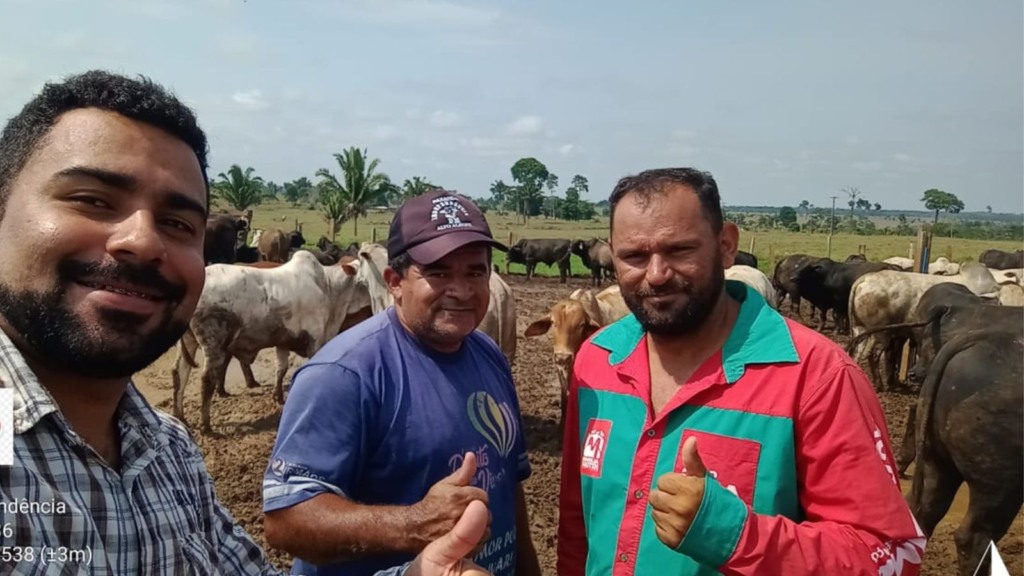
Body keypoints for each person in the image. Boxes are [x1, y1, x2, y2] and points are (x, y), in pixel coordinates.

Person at [0, 69, 492, 576]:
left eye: (178, 224)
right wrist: (411, 526)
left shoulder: (168, 452)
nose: (142, 241)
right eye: (92, 200)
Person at [556, 168, 927, 576]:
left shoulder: (816, 377)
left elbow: (891, 555)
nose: (657, 274)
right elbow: (579, 525)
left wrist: (735, 535)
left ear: (726, 245)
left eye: (680, 250)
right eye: (635, 256)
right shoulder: (596, 360)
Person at [262, 189, 541, 576]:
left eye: (475, 272)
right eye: (439, 272)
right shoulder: (342, 375)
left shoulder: (488, 354)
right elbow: (285, 521)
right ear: (394, 281)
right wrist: (414, 523)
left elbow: (508, 487)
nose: (461, 291)